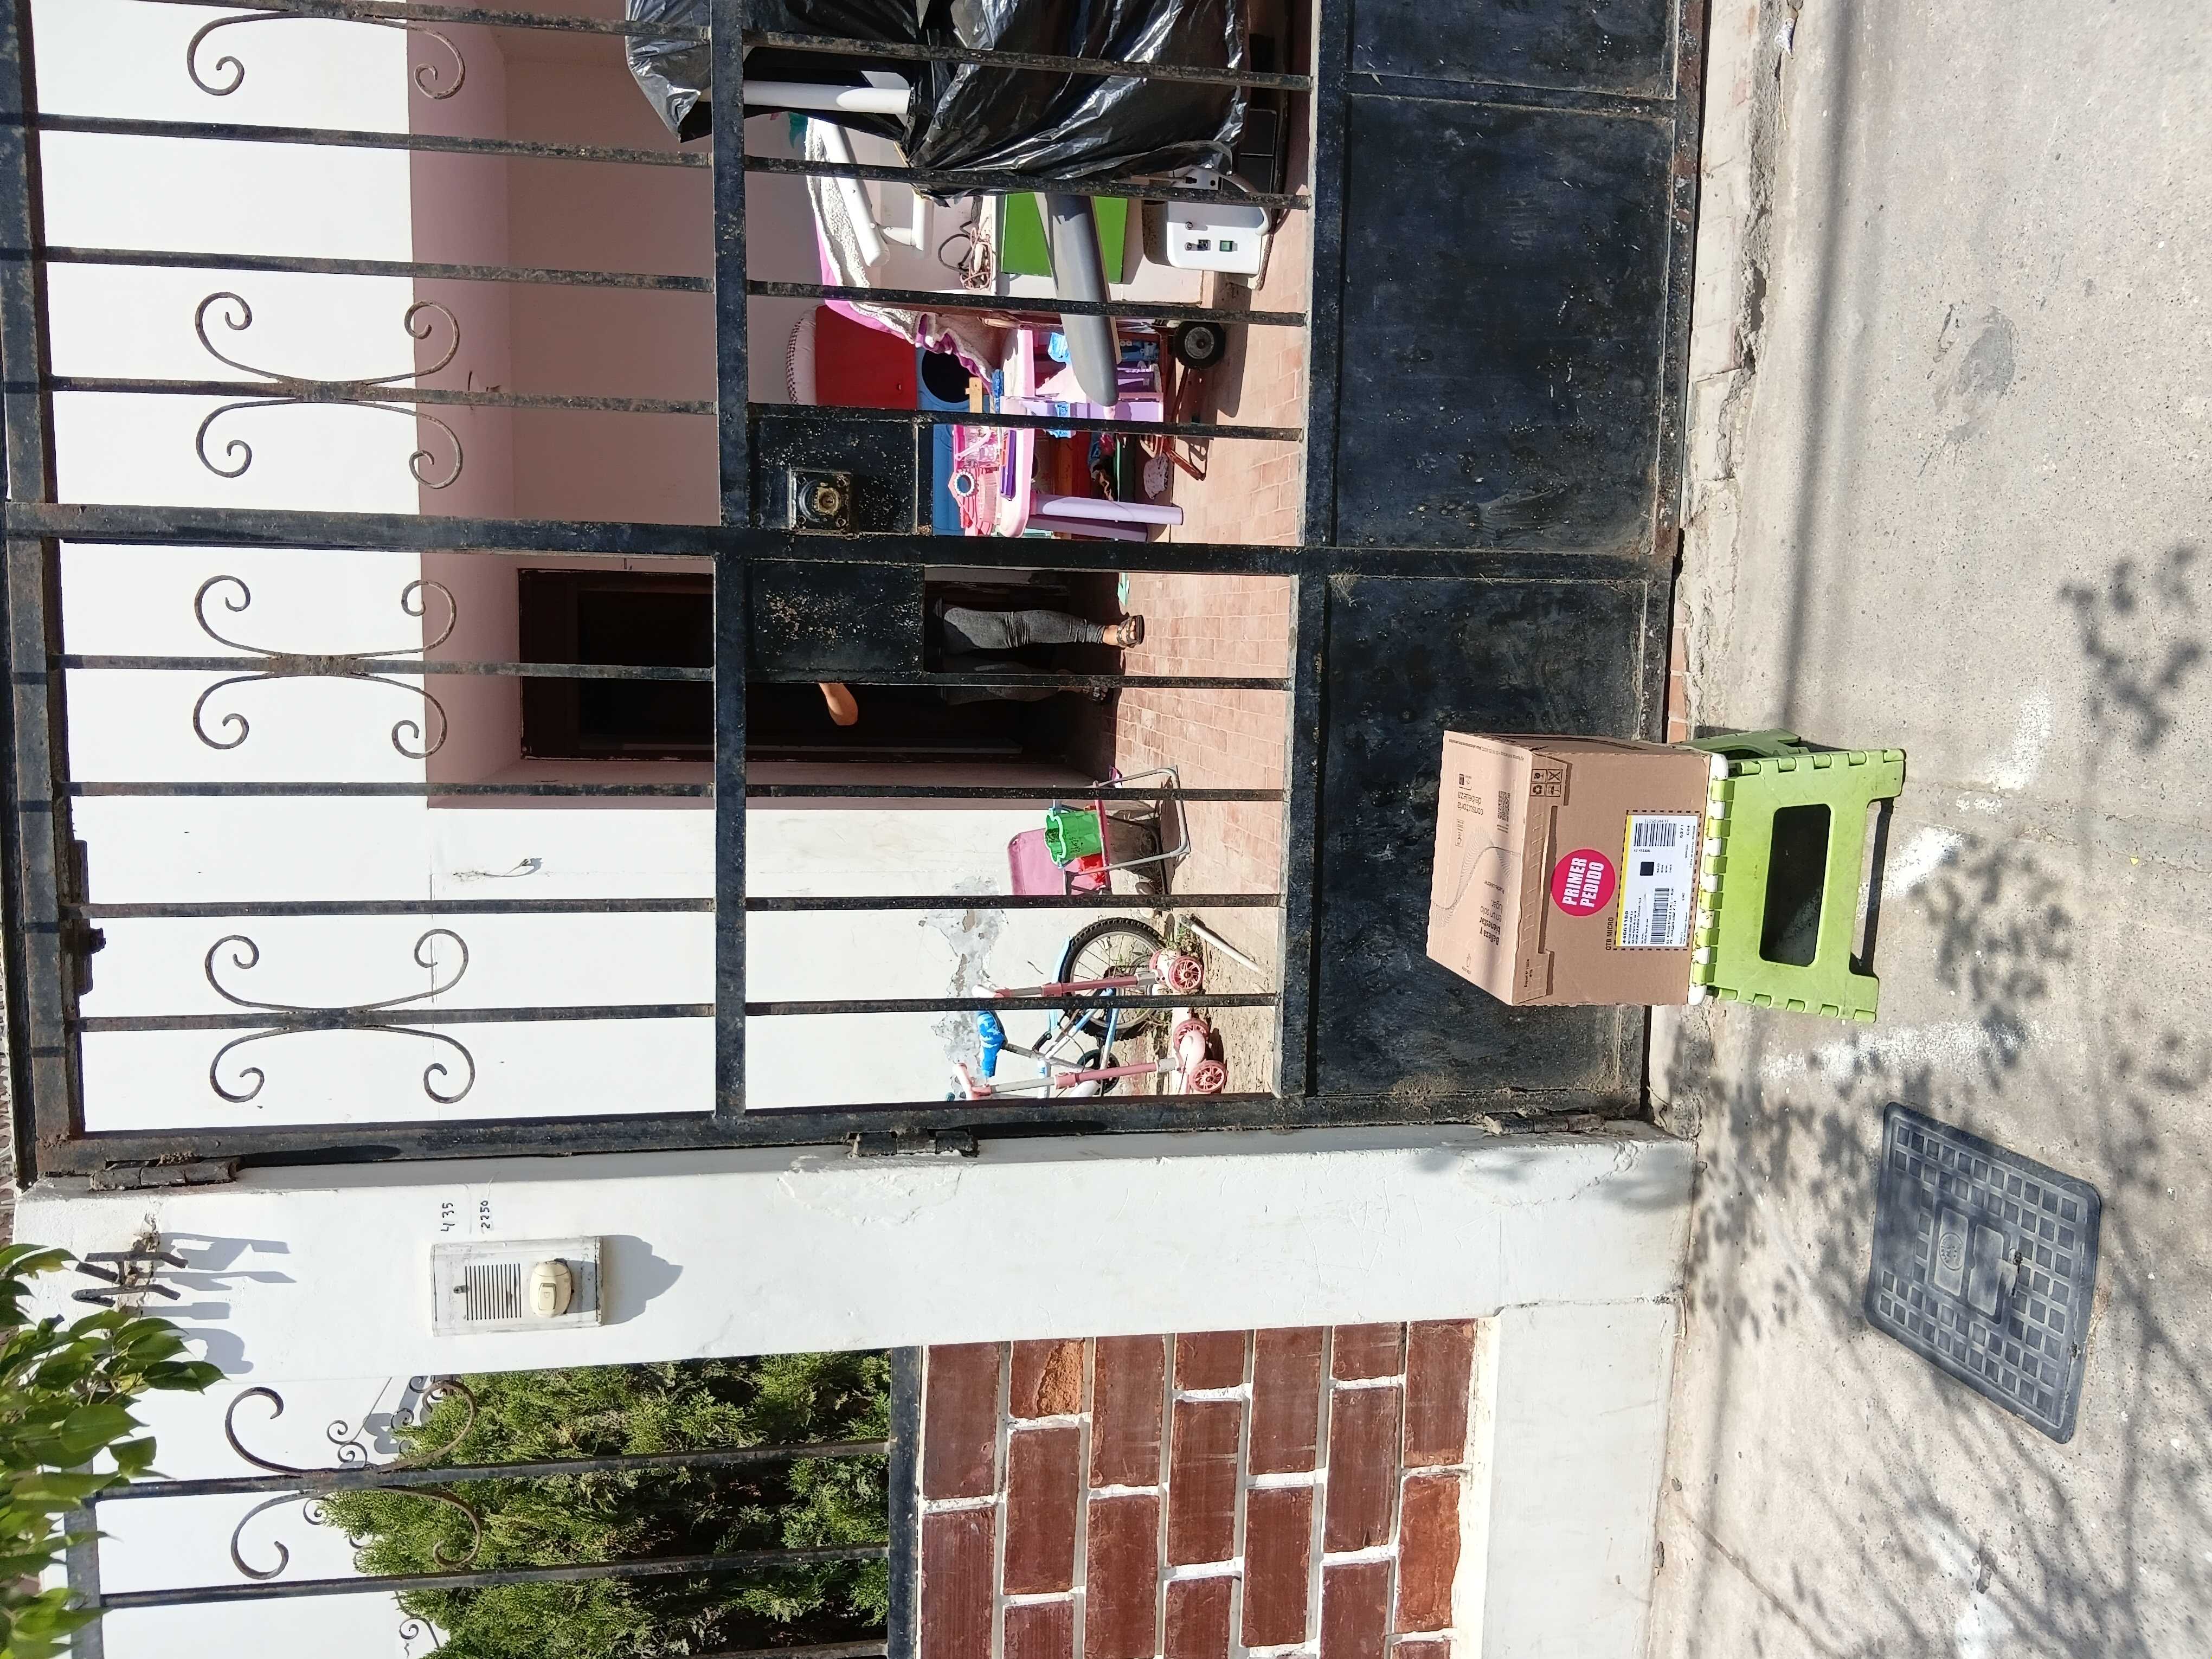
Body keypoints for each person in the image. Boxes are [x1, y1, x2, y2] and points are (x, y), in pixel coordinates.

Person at [815, 605, 1144, 726]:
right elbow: (848, 718)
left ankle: (1106, 634)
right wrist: (823, 677)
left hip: (924, 627)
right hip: (923, 683)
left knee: (1007, 629)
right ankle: (1067, 684)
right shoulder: (794, 662)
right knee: (1011, 683)